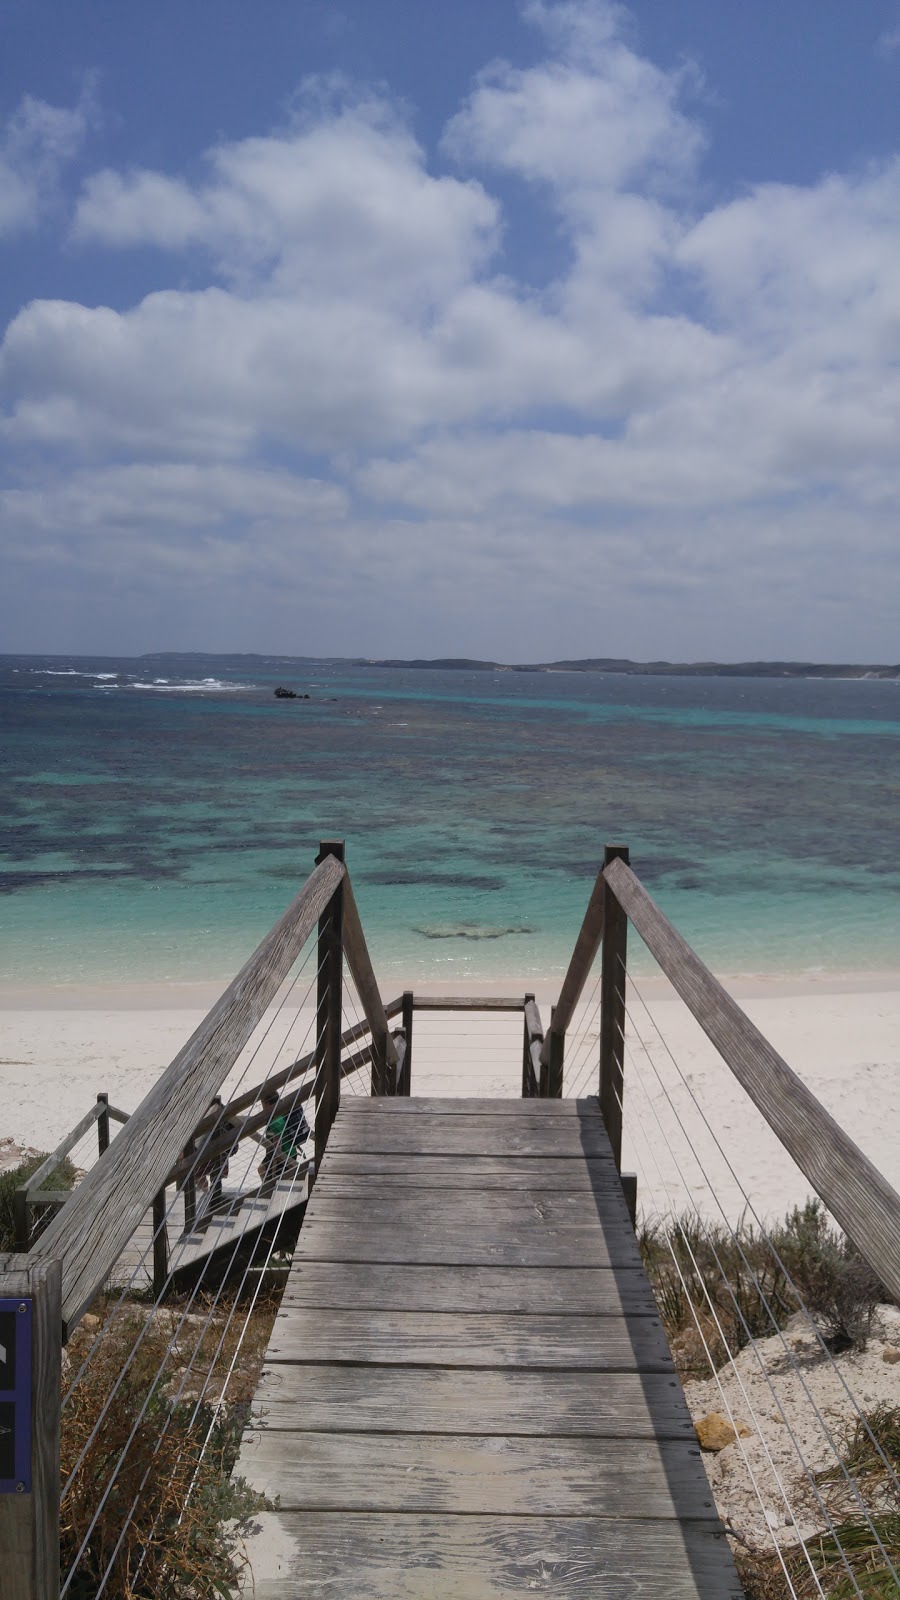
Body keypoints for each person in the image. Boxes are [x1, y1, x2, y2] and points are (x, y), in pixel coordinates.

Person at [258, 1086, 310, 1191]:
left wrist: (274, 1161)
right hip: (292, 1152)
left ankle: (268, 1193)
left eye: (262, 1104)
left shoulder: (275, 1122)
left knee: (265, 1172)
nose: (263, 1108)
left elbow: (278, 1144)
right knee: (288, 1180)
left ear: (267, 1104)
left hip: (283, 1157)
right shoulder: (281, 1114)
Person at [196, 1095, 236, 1211]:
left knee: (201, 1175)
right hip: (216, 1149)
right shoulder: (216, 1109)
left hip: (212, 1149)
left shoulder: (213, 1111)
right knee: (209, 1176)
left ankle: (211, 1196)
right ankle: (210, 1195)